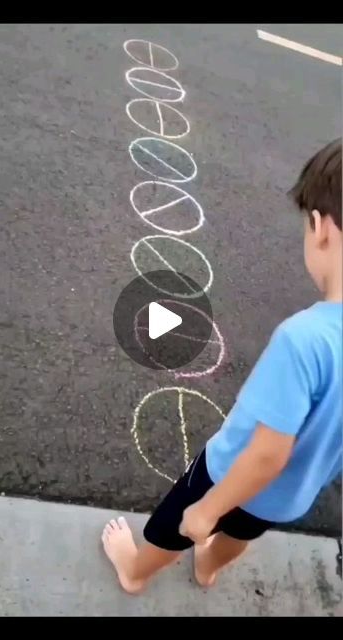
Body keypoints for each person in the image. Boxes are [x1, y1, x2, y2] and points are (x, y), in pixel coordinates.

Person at [102, 139, 342, 594]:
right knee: (242, 533)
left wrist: (209, 508)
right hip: (292, 495)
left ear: (321, 227)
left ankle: (135, 571)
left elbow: (268, 454)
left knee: (178, 522)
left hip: (228, 473)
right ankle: (209, 565)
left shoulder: (306, 338)